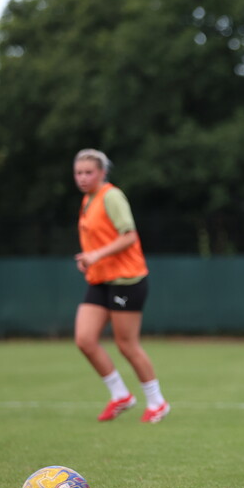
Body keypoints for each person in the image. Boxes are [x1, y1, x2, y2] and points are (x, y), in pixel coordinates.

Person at [72, 149, 169, 423]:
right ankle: (120, 395)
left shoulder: (111, 196)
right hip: (101, 279)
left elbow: (129, 236)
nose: (82, 177)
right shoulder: (87, 200)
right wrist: (89, 260)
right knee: (85, 339)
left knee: (126, 344)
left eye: (88, 172)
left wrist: (95, 255)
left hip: (127, 279)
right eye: (78, 172)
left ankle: (157, 402)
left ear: (102, 173)